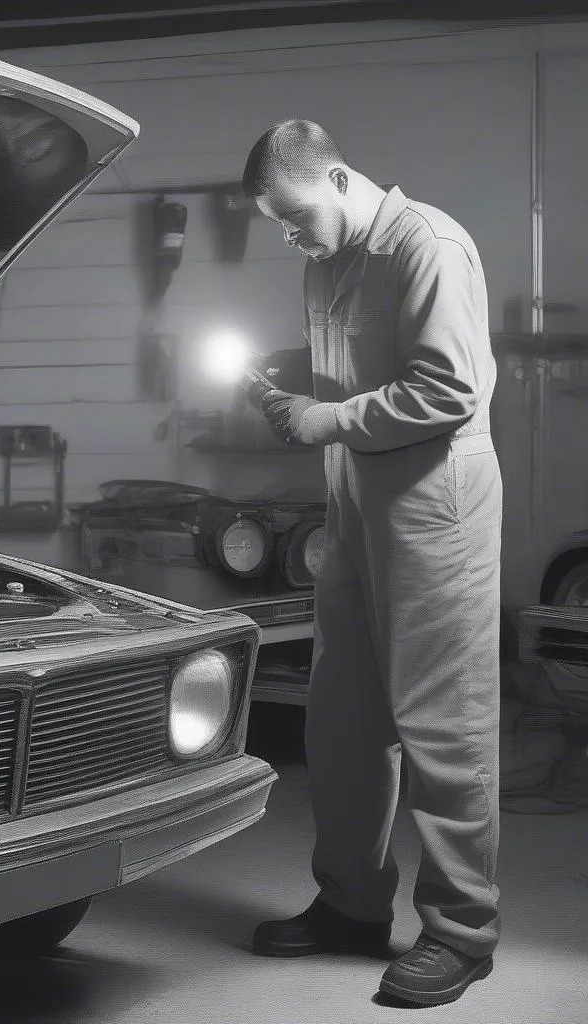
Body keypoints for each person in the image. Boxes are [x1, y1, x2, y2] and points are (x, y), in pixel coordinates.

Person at [240, 120, 503, 1008]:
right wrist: (289, 392)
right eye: (278, 224)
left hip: (436, 510)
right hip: (354, 506)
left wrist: (326, 419)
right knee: (344, 719)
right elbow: (352, 382)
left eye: (296, 215)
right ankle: (351, 905)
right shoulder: (326, 260)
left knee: (442, 725)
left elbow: (450, 389)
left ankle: (462, 934)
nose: (290, 236)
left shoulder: (427, 244)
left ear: (342, 179)